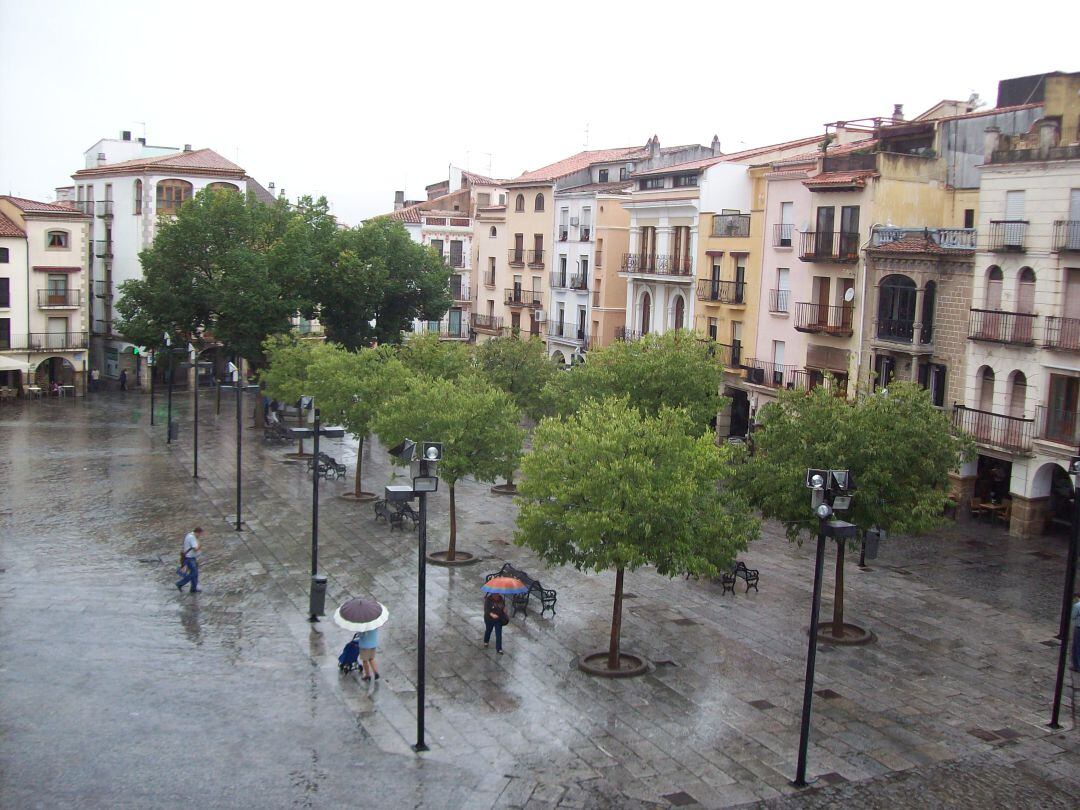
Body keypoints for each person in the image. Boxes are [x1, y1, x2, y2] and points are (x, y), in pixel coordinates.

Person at [175, 527, 204, 593]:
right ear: (197, 532)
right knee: (194, 573)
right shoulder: (192, 538)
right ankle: (180, 583)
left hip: (191, 558)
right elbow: (195, 548)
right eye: (200, 534)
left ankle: (193, 588)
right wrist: (200, 545)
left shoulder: (189, 535)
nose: (200, 536)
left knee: (195, 574)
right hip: (190, 558)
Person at [1071, 594, 1080, 672]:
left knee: (1076, 647)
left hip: (1079, 628)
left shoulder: (1077, 605)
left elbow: (1073, 616)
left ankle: (1077, 666)